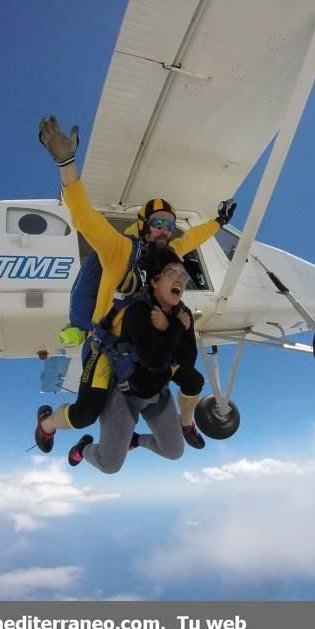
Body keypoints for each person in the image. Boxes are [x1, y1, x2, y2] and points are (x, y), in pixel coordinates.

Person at [34, 115, 236, 453]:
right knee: (85, 414)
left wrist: (219, 221)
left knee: (192, 379)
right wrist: (66, 163)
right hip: (107, 350)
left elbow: (195, 237)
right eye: (157, 223)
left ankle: (186, 423)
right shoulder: (119, 250)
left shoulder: (169, 254)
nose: (165, 230)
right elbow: (83, 215)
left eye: (170, 225)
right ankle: (46, 424)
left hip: (146, 351)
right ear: (143, 225)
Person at [43, 247, 197, 473]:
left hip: (157, 395)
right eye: (172, 273)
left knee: (174, 452)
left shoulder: (183, 315)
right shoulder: (138, 312)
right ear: (155, 281)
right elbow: (155, 361)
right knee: (110, 465)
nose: (180, 280)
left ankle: (134, 441)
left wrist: (171, 327)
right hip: (124, 395)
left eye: (183, 276)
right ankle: (83, 448)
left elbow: (188, 359)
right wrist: (175, 329)